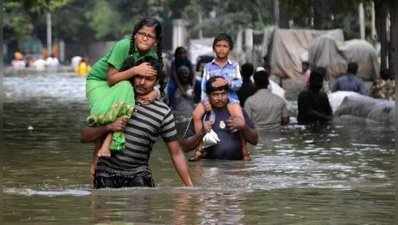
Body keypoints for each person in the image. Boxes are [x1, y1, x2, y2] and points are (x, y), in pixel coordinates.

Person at [81, 56, 193, 188]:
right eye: (139, 77)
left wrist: (190, 188)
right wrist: (109, 127)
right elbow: (85, 136)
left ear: (156, 82)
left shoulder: (163, 112)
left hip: (139, 176)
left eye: (149, 79)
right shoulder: (116, 98)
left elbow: (176, 152)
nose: (142, 82)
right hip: (106, 174)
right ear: (132, 75)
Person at [85, 18, 162, 175]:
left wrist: (156, 91)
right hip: (100, 82)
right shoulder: (124, 45)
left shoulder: (153, 54)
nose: (145, 38)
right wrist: (135, 70)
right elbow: (111, 78)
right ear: (135, 35)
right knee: (107, 115)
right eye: (141, 33)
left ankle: (107, 148)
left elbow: (157, 79)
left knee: (126, 97)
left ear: (156, 41)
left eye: (150, 36)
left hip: (125, 84)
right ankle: (95, 167)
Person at [192, 33, 248, 159]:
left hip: (231, 98)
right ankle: (199, 146)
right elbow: (204, 86)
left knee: (240, 119)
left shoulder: (234, 66)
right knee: (196, 115)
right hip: (211, 99)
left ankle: (244, 149)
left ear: (230, 49)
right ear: (213, 48)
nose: (221, 49)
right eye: (218, 46)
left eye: (225, 46)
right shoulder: (208, 67)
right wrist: (204, 101)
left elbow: (239, 83)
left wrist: (228, 82)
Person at [181, 76, 258, 160]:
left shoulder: (238, 111)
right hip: (209, 169)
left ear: (227, 93)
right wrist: (201, 132)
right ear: (208, 95)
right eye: (215, 95)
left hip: (236, 169)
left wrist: (244, 127)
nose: (220, 98)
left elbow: (254, 141)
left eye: (223, 94)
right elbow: (185, 147)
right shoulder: (201, 114)